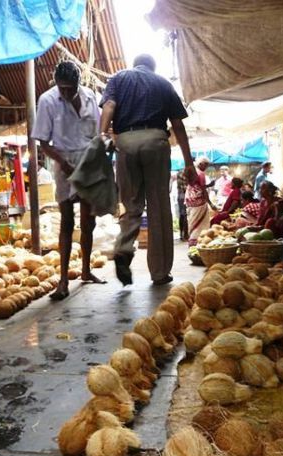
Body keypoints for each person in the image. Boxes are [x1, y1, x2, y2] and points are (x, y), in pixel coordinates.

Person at [99, 53, 197, 286]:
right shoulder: (163, 83)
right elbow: (178, 124)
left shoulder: (118, 78)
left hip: (125, 141)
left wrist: (102, 135)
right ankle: (160, 272)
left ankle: (123, 249)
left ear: (135, 65)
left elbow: (110, 105)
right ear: (153, 67)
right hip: (155, 140)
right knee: (159, 207)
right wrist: (188, 161)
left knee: (131, 205)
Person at [32, 60, 105, 300]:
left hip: (88, 161)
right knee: (66, 221)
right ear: (56, 84)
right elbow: (43, 143)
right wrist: (63, 163)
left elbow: (97, 133)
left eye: (70, 88)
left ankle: (85, 270)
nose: (66, 92)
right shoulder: (47, 100)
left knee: (88, 221)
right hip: (63, 162)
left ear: (78, 83)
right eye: (62, 88)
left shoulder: (91, 97)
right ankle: (63, 280)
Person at [185, 156, 216, 246]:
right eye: (206, 165)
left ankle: (192, 241)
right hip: (198, 201)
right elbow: (202, 190)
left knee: (192, 222)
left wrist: (209, 185)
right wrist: (210, 203)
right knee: (201, 223)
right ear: (201, 163)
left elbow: (196, 185)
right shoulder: (201, 173)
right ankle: (198, 241)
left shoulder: (192, 171)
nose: (206, 167)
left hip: (190, 200)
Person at [176, 170, 189, 241]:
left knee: (182, 215)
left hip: (180, 196)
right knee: (185, 215)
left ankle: (182, 234)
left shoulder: (180, 172)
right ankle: (185, 235)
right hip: (184, 196)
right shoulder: (183, 173)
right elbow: (185, 187)